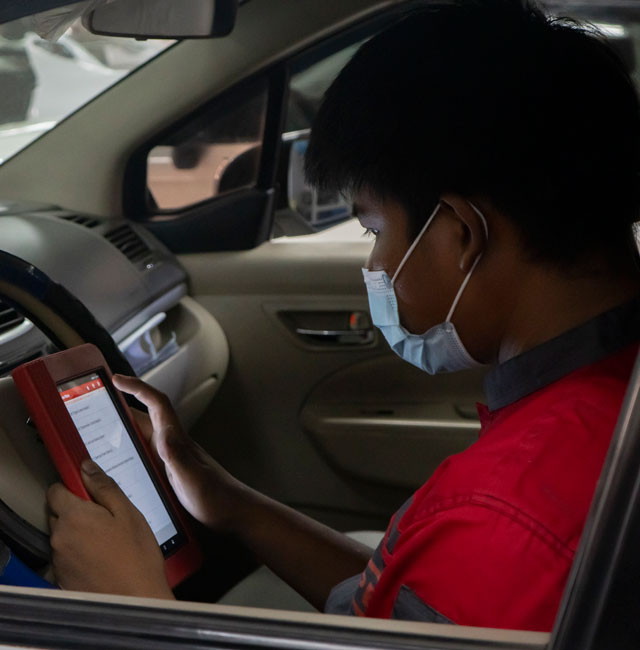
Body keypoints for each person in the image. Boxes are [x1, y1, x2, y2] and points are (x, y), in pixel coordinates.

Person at [45, 0, 640, 631]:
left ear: (462, 233)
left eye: (374, 228)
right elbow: (404, 608)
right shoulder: (599, 409)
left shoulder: (504, 514)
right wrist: (228, 502)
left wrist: (131, 599)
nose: (376, 263)